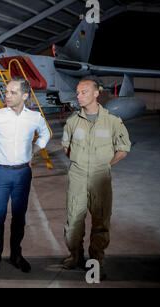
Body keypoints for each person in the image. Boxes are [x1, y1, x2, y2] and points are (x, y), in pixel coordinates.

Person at [0, 77, 50, 274]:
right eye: (6, 92)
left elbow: (45, 133)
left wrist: (35, 149)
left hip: (23, 174)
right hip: (0, 173)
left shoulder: (34, 117)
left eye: (12, 92)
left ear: (25, 95)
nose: (7, 95)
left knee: (19, 216)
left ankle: (16, 254)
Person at [61, 76, 131, 280]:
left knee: (101, 221)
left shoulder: (112, 121)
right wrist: (81, 163)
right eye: (77, 93)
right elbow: (67, 148)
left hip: (101, 177)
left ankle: (96, 262)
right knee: (74, 220)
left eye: (83, 92)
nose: (79, 96)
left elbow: (123, 148)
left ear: (96, 93)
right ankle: (74, 256)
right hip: (78, 176)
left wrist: (104, 165)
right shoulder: (73, 121)